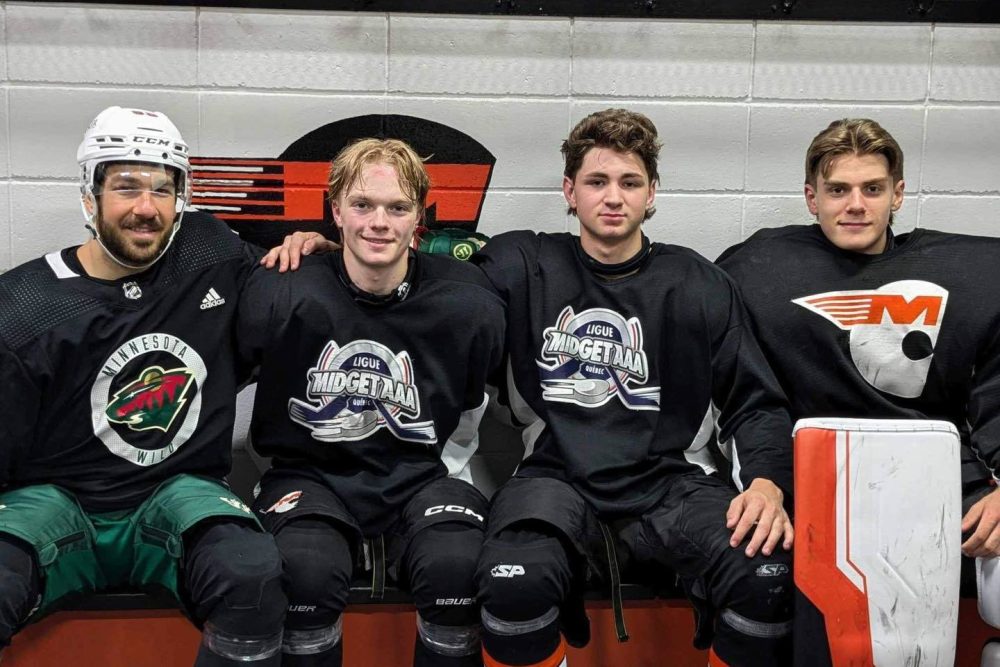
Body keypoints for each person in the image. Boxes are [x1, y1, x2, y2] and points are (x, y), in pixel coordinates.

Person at [467, 109, 795, 667]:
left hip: (670, 482)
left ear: (652, 194)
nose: (613, 197)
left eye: (630, 182)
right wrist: (338, 255)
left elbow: (754, 401)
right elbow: (425, 287)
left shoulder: (697, 283)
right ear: (570, 191)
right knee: (513, 579)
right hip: (554, 475)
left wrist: (767, 484)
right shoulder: (522, 264)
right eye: (597, 181)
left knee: (765, 572)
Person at [0, 106, 286, 665]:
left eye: (162, 189)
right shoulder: (23, 306)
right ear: (91, 195)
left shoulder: (209, 252)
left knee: (251, 576)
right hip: (54, 501)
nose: (147, 208)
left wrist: (310, 247)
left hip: (175, 491)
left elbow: (292, 283)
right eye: (127, 186)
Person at [717, 117, 1000, 666]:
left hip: (939, 481)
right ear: (811, 198)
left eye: (872, 188)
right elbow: (745, 394)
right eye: (838, 190)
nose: (855, 205)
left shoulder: (971, 269)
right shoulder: (756, 266)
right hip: (814, 484)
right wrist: (764, 478)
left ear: (898, 194)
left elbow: (997, 390)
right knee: (762, 575)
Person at [238, 138, 506, 666]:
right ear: (335, 210)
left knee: (457, 568)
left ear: (419, 217)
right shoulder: (281, 288)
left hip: (422, 479)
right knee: (304, 571)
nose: (379, 223)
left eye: (397, 208)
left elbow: (476, 406)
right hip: (309, 477)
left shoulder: (468, 303)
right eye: (362, 205)